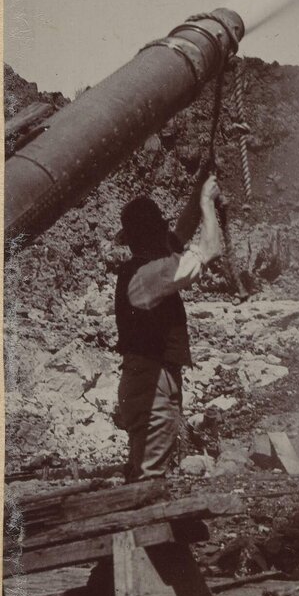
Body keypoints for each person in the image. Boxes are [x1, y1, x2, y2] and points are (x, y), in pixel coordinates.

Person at [113, 175, 223, 482]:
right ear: (153, 234)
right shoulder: (150, 275)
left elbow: (182, 233)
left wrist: (201, 184)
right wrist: (207, 203)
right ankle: (144, 524)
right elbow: (209, 248)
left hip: (151, 375)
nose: (168, 236)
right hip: (151, 379)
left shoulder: (150, 266)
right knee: (150, 474)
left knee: (147, 466)